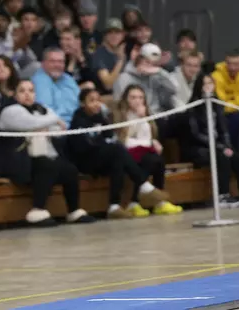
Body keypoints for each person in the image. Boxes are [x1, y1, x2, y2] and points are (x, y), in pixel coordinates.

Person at [0, 79, 96, 226]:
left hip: (41, 158)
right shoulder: (10, 111)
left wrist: (48, 123)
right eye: (22, 91)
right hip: (17, 161)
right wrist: (52, 119)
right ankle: (38, 209)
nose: (27, 94)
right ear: (15, 95)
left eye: (31, 90)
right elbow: (32, 123)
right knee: (46, 165)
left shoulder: (41, 109)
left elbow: (59, 130)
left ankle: (74, 210)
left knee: (69, 169)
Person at [66, 89, 170, 219]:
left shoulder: (101, 118)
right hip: (86, 161)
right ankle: (143, 185)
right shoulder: (78, 121)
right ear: (82, 103)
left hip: (102, 158)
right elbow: (83, 148)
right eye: (91, 101)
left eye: (98, 100)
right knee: (117, 150)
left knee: (119, 159)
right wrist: (104, 145)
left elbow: (110, 137)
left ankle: (114, 206)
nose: (96, 104)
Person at [113, 85, 183, 216]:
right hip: (126, 152)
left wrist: (143, 120)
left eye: (140, 97)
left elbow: (147, 137)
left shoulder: (146, 114)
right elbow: (124, 139)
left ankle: (158, 202)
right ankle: (135, 202)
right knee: (149, 159)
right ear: (126, 99)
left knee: (157, 160)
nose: (137, 101)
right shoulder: (120, 115)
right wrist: (141, 125)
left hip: (142, 151)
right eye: (133, 97)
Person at [185, 74, 239, 207]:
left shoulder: (217, 104)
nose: (208, 87)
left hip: (219, 144)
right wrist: (220, 147)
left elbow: (224, 129)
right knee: (222, 156)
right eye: (205, 84)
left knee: (237, 156)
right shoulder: (193, 107)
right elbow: (196, 134)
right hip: (200, 147)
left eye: (210, 83)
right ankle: (223, 195)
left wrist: (227, 146)